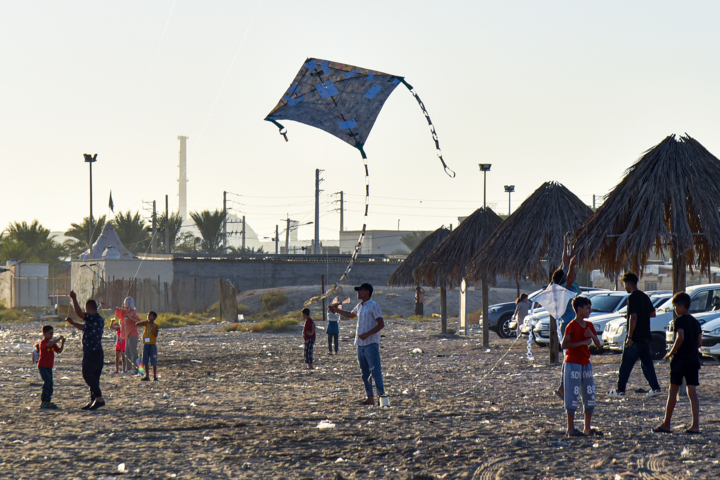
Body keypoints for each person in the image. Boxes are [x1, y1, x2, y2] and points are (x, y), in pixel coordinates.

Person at [607, 272, 662, 399]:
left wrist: (629, 337)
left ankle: (620, 390)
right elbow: (652, 313)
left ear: (628, 283)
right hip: (646, 337)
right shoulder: (644, 296)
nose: (624, 287)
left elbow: (634, 317)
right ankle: (656, 387)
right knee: (647, 364)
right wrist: (642, 316)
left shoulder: (632, 297)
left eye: (624, 284)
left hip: (635, 338)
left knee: (625, 364)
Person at [329, 283, 385, 406]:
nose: (358, 292)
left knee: (375, 372)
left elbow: (381, 324)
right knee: (364, 373)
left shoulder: (373, 306)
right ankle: (370, 398)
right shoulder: (360, 306)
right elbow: (350, 315)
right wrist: (336, 310)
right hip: (360, 344)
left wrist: (368, 334)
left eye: (360, 290)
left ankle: (382, 397)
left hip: (371, 343)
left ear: (367, 292)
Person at [654, 292, 701, 434]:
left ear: (681, 306)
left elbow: (680, 337)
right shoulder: (695, 322)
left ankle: (667, 423)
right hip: (693, 359)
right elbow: (699, 343)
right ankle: (695, 425)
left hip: (681, 360)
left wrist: (671, 352)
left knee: (673, 390)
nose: (674, 309)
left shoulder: (679, 321)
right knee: (692, 392)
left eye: (675, 307)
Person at [561, 296, 601, 436]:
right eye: (587, 308)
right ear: (579, 309)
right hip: (573, 363)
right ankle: (570, 428)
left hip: (586, 363)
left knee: (589, 394)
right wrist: (583, 342)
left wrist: (592, 337)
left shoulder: (589, 325)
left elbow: (597, 344)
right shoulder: (571, 325)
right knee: (572, 394)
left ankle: (587, 427)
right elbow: (564, 345)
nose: (589, 310)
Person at [66, 290, 106, 410]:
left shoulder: (92, 317)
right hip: (98, 352)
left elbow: (79, 313)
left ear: (89, 308)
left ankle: (99, 398)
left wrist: (74, 298)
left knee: (87, 374)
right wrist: (73, 323)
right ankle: (93, 400)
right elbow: (85, 327)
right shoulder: (98, 319)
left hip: (92, 352)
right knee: (94, 377)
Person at [104, 298, 141, 374]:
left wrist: (130, 317)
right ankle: (129, 369)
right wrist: (108, 305)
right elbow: (116, 309)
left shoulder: (133, 312)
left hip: (133, 334)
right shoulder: (124, 312)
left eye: (127, 302)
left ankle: (138, 369)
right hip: (127, 335)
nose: (125, 304)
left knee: (133, 353)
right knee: (127, 353)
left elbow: (138, 321)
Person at [36, 325, 65, 409]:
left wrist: (62, 343)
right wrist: (58, 339)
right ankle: (43, 400)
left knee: (50, 383)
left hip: (49, 366)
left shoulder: (53, 343)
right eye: (50, 333)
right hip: (42, 366)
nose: (51, 335)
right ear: (44, 334)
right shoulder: (43, 342)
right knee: (47, 381)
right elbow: (48, 345)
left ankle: (48, 401)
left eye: (52, 333)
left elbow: (59, 351)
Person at [136, 311, 159, 382]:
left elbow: (156, 335)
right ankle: (147, 376)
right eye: (148, 315)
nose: (148, 316)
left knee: (153, 360)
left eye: (150, 315)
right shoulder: (146, 323)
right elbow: (137, 324)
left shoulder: (156, 325)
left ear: (154, 317)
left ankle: (155, 376)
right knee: (145, 360)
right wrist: (144, 322)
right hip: (146, 344)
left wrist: (152, 327)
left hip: (152, 344)